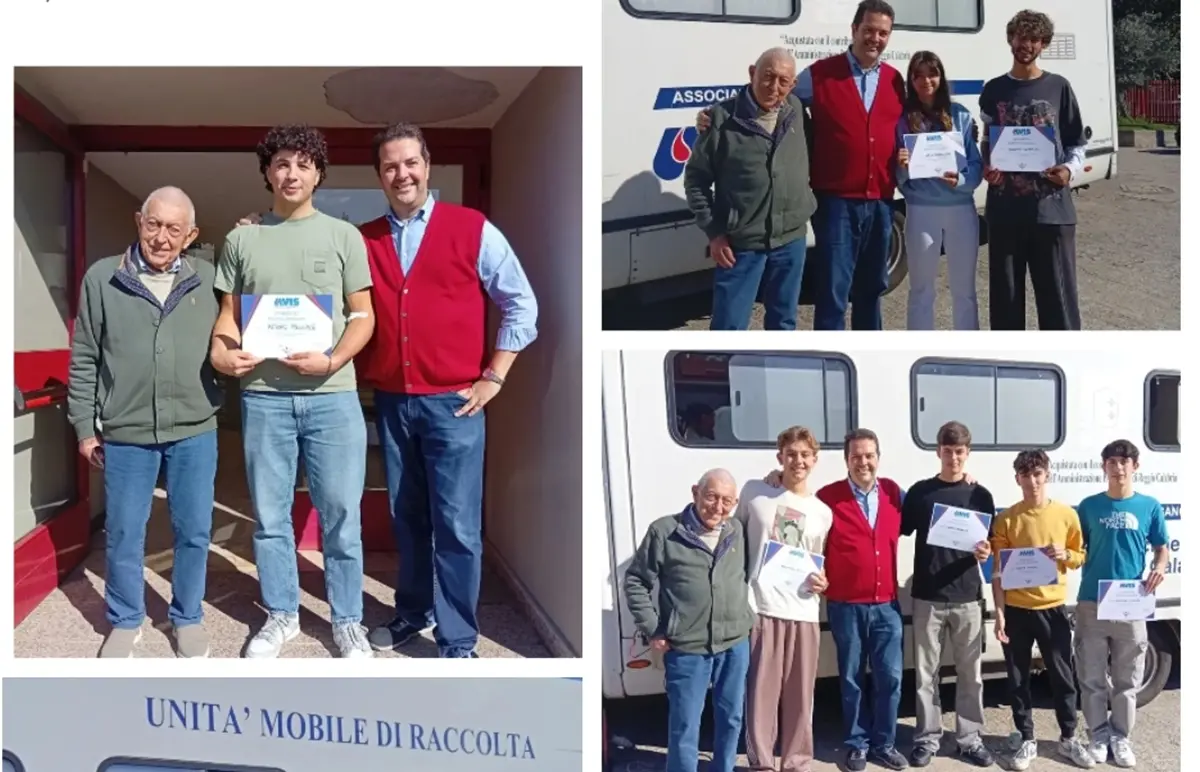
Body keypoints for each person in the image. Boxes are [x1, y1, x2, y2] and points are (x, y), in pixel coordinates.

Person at [355, 123, 539, 659]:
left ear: (427, 165)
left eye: (410, 162)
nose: (402, 174)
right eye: (390, 166)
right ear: (380, 176)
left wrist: (495, 374)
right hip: (392, 402)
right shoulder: (364, 239)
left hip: (455, 404)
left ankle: (457, 638)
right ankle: (413, 612)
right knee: (407, 518)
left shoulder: (472, 228)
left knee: (456, 525)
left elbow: (521, 303)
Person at [211, 124, 377, 659]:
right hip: (263, 396)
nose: (292, 173)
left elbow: (362, 315)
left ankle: (347, 620)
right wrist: (221, 350)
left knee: (341, 516)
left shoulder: (343, 236)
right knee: (270, 516)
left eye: (303, 164)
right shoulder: (243, 239)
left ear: (318, 174)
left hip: (333, 396)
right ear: (267, 172)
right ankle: (281, 615)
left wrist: (331, 358)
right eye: (282, 163)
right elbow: (229, 318)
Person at [67, 187, 221, 659]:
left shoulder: (209, 279)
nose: (161, 237)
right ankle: (125, 619)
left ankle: (187, 617)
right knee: (124, 530)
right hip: (127, 430)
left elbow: (240, 325)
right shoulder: (102, 278)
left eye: (174, 228)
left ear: (190, 234)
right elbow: (85, 356)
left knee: (194, 530)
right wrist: (83, 426)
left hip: (194, 428)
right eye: (153, 224)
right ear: (139, 221)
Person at [694, 0, 904, 330]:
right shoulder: (818, 76)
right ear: (854, 30)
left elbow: (912, 122)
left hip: (880, 201)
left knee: (870, 291)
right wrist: (717, 114)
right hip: (836, 204)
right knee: (833, 293)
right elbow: (768, 92)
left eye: (883, 33)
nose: (875, 38)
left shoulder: (895, 81)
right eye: (868, 30)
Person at [624, 469, 755, 772]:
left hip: (735, 644)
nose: (718, 507)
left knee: (732, 718)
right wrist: (653, 627)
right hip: (687, 648)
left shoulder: (735, 529)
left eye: (727, 501)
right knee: (685, 726)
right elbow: (635, 581)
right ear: (695, 492)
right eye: (711, 497)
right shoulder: (665, 531)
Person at [683, 47, 816, 331]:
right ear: (752, 73)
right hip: (741, 244)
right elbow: (696, 179)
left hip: (791, 240)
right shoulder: (720, 119)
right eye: (768, 76)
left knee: (784, 324)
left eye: (783, 81)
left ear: (792, 85)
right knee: (729, 327)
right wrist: (714, 232)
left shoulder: (797, 112)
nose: (774, 87)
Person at [979, 10, 1086, 330]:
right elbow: (988, 142)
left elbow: (1076, 144)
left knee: (1059, 306)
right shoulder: (993, 89)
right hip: (1005, 213)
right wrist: (988, 168)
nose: (1025, 44)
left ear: (1044, 44)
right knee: (1005, 304)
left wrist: (1068, 171)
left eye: (1033, 39)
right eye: (1020, 36)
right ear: (1010, 38)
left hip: (1051, 214)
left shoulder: (1059, 87)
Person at [735, 427, 832, 772]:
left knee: (800, 697)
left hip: (804, 611)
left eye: (805, 454)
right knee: (761, 694)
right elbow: (735, 544)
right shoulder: (755, 493)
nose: (798, 461)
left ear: (815, 460)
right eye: (791, 454)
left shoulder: (822, 511)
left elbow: (818, 561)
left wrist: (822, 581)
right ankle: (761, 762)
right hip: (760, 607)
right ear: (780, 458)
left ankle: (796, 762)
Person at [990, 450, 1094, 769]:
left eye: (1037, 473)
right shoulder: (1007, 518)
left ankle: (1068, 738)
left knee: (1063, 677)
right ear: (1017, 478)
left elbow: (1080, 556)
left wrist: (1065, 554)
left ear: (1046, 474)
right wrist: (1000, 612)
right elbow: (997, 572)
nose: (1032, 481)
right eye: (1025, 474)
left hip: (1054, 610)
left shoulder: (1066, 515)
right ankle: (1027, 737)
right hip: (1018, 611)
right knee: (1018, 679)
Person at [900, 422, 994, 767]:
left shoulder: (980, 495)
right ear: (938, 451)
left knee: (971, 676)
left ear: (967, 453)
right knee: (926, 675)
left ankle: (970, 739)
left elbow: (989, 542)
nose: (953, 457)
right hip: (927, 596)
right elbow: (898, 525)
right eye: (948, 450)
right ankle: (927, 738)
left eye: (960, 451)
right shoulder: (921, 493)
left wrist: (985, 552)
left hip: (968, 597)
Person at [1074, 440, 1171, 768]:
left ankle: (1121, 735)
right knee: (1091, 675)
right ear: (1103, 467)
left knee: (1128, 676)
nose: (1118, 468)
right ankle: (1098, 734)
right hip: (1092, 601)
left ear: (1135, 467)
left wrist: (1159, 567)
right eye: (1112, 462)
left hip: (1131, 602)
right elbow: (1076, 549)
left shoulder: (1150, 505)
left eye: (1124, 462)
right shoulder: (1088, 507)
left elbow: (1161, 547)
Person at [895, 51, 984, 330]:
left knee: (964, 291)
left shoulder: (960, 115)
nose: (926, 81)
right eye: (918, 75)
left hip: (960, 211)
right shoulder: (903, 120)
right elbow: (899, 179)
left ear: (941, 77)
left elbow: (976, 166)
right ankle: (920, 348)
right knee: (921, 290)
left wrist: (960, 180)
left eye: (931, 74)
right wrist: (903, 166)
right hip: (921, 211)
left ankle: (967, 349)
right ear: (911, 80)